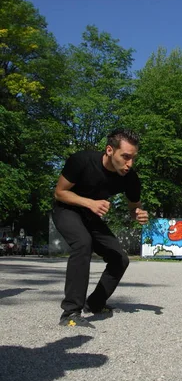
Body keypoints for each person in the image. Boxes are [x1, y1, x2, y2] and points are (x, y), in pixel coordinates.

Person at [53, 129, 149, 328]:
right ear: (109, 150)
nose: (129, 163)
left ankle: (95, 303)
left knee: (119, 259)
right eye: (125, 157)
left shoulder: (130, 178)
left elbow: (134, 207)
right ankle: (70, 312)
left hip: (90, 214)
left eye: (133, 158)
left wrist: (139, 214)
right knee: (82, 244)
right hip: (66, 209)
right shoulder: (81, 160)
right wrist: (89, 203)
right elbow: (60, 193)